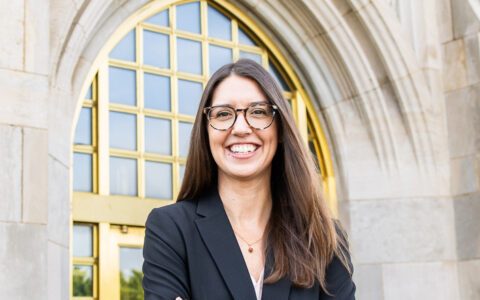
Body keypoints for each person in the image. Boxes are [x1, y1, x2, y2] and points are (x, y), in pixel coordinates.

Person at [142, 59, 356, 299]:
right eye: (223, 114)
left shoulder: (323, 237)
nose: (241, 128)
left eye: (258, 112)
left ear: (280, 129)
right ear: (206, 131)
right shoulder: (171, 229)